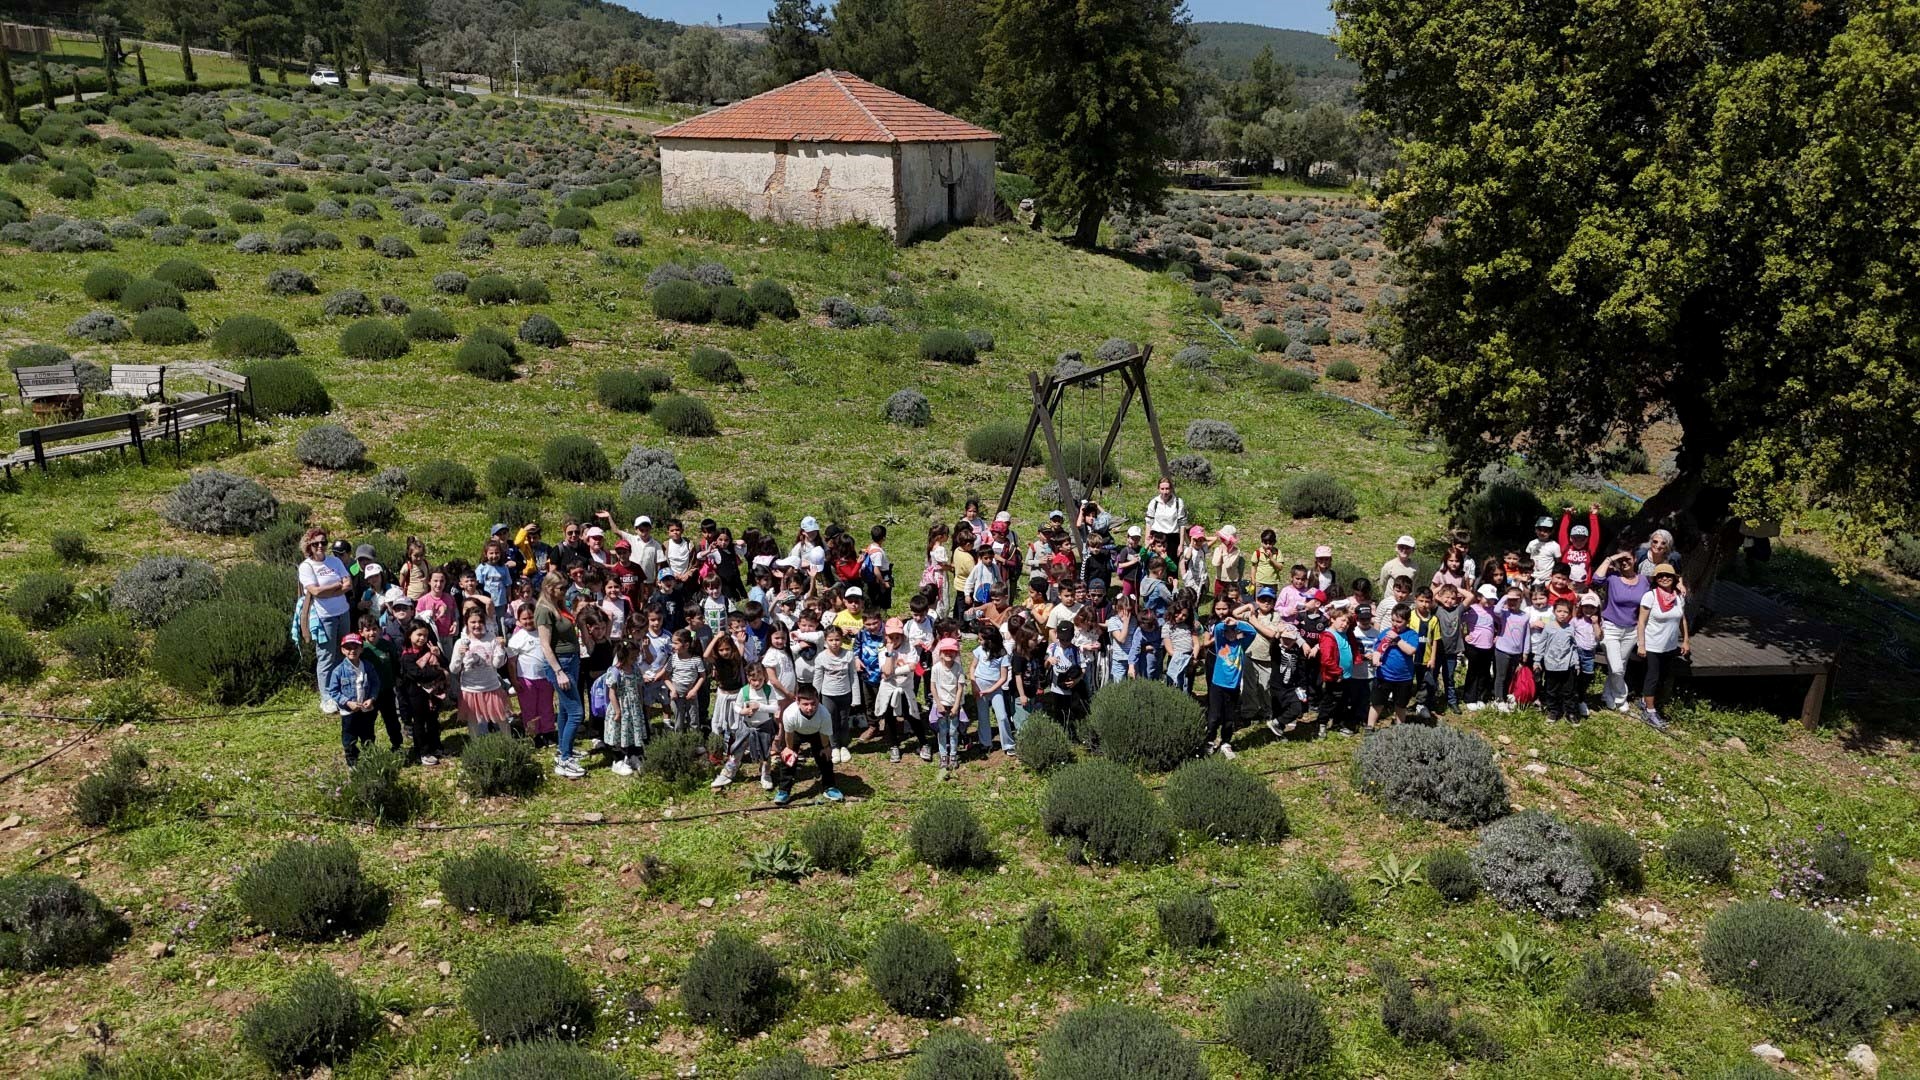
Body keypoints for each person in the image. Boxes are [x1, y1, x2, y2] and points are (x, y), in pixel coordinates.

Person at [299, 528, 354, 716]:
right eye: (316, 544)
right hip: (324, 616)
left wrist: (330, 589)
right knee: (326, 657)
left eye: (323, 542)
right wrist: (337, 586)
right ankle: (326, 697)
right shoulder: (306, 567)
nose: (321, 546)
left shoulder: (335, 561)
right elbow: (315, 592)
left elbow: (348, 584)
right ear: (309, 546)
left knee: (342, 653)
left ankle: (340, 691)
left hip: (342, 612)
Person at [535, 574, 586, 778]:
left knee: (565, 709)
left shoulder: (558, 606)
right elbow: (545, 644)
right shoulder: (544, 611)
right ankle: (564, 760)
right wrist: (558, 672)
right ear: (549, 588)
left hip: (571, 660)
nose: (564, 592)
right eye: (561, 588)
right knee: (576, 712)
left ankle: (564, 749)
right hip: (561, 664)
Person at [1592, 550, 1650, 712]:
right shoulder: (1612, 578)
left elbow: (1663, 580)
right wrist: (1611, 558)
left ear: (1635, 560)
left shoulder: (1644, 580)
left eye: (1628, 559)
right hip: (1610, 627)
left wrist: (1679, 582)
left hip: (1631, 629)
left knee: (1619, 667)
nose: (1624, 562)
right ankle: (1621, 695)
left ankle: (1607, 694)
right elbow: (1596, 579)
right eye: (1621, 560)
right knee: (1617, 668)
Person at [1634, 563, 1689, 730]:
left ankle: (1645, 701)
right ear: (1655, 579)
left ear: (1674, 578)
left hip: (1670, 645)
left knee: (1663, 677)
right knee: (1653, 677)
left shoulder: (1678, 597)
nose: (1664, 578)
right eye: (1660, 576)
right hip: (1652, 645)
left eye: (1668, 575)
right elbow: (1641, 622)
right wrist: (1641, 644)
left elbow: (1682, 619)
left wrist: (1686, 640)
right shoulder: (1650, 596)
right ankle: (1650, 711)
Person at [772, 684, 844, 804]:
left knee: (825, 757)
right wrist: (789, 749)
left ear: (818, 700)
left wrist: (826, 748)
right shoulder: (790, 713)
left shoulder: (824, 714)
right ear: (797, 701)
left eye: (813, 703)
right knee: (788, 758)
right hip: (796, 732)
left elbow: (824, 734)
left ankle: (830, 787)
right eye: (805, 704)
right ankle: (784, 790)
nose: (810, 708)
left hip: (816, 733)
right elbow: (788, 734)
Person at [448, 608, 510, 742]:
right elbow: (454, 669)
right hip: (471, 689)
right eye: (473, 622)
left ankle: (509, 744)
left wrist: (500, 649)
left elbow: (497, 664)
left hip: (491, 687)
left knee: (502, 719)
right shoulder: (460, 643)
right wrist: (460, 654)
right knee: (473, 721)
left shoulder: (492, 640)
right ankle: (477, 747)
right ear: (466, 623)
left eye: (480, 621)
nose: (477, 625)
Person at [395, 619, 447, 765]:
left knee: (433, 720)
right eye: (418, 635)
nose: (422, 638)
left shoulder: (429, 650)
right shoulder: (407, 656)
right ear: (410, 635)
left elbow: (445, 664)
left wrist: (439, 655)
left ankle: (436, 746)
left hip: (432, 694)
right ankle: (423, 751)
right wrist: (438, 673)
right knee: (419, 723)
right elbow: (418, 674)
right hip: (415, 696)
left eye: (425, 635)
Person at [326, 634, 383, 766]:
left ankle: (370, 760)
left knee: (368, 735)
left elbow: (375, 683)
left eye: (356, 647)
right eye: (348, 647)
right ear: (342, 650)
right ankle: (353, 763)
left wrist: (372, 698)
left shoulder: (367, 666)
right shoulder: (338, 671)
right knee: (349, 738)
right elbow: (333, 691)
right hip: (349, 712)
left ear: (361, 649)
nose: (352, 650)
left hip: (365, 709)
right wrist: (347, 702)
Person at [506, 603, 555, 746]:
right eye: (524, 619)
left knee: (546, 706)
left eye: (531, 617)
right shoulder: (517, 638)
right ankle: (534, 735)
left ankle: (548, 732)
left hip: (545, 677)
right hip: (526, 679)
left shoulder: (543, 632)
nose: (528, 621)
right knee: (529, 708)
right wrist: (514, 680)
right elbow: (512, 662)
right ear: (519, 620)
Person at [1367, 603, 1421, 727]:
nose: (1395, 624)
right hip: (1384, 675)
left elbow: (1411, 650)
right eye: (1393, 620)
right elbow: (1378, 649)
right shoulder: (1386, 633)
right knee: (1377, 703)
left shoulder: (1411, 635)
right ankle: (1370, 726)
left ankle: (1400, 728)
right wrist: (1375, 659)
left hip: (1404, 677)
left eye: (1399, 621)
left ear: (1407, 621)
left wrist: (1397, 640)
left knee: (1400, 704)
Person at [603, 638, 649, 776]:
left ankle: (632, 756)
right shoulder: (615, 671)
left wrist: (640, 703)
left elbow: (639, 687)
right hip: (621, 707)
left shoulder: (635, 669)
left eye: (636, 656)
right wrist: (617, 711)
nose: (635, 659)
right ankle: (617, 760)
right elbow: (612, 693)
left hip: (634, 707)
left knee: (633, 733)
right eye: (632, 656)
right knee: (619, 734)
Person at [1534, 598, 1581, 722]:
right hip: (1551, 664)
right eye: (1559, 611)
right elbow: (1541, 645)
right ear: (1554, 612)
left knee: (1569, 691)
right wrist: (1537, 661)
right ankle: (1553, 711)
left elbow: (1574, 647)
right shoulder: (1548, 627)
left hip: (1567, 665)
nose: (1562, 614)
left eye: (1565, 612)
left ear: (1570, 614)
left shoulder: (1571, 629)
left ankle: (1570, 712)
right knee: (1551, 690)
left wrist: (1576, 663)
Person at [971, 631, 1014, 756]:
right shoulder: (979, 650)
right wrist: (974, 685)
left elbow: (1003, 677)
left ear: (990, 641)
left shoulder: (1002, 654)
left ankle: (1008, 744)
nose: (979, 642)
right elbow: (973, 667)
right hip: (980, 686)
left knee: (1002, 716)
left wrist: (991, 689)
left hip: (995, 689)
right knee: (983, 716)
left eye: (981, 639)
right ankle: (985, 743)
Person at [929, 638, 964, 778]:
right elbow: (933, 687)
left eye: (952, 651)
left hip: (954, 704)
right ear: (941, 653)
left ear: (956, 653)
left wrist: (956, 705)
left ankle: (953, 754)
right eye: (946, 651)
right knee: (942, 731)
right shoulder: (936, 668)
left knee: (953, 731)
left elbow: (960, 688)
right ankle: (943, 755)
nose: (949, 653)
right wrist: (938, 703)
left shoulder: (958, 668)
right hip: (941, 704)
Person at [1461, 583, 1499, 707]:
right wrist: (1464, 635)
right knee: (1473, 672)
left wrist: (1498, 635)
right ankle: (1469, 698)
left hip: (1488, 647)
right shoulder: (1472, 609)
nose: (1490, 601)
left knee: (1485, 673)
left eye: (1493, 599)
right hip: (1474, 646)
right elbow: (1458, 621)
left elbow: (1502, 623)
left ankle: (1480, 697)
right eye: (1487, 598)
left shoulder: (1494, 611)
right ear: (1479, 597)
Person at [1559, 505, 1602, 584]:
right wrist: (1567, 516)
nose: (1579, 542)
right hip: (1565, 585)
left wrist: (1593, 515)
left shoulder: (1589, 550)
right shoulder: (1566, 548)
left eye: (1582, 539)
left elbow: (1595, 536)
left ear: (1587, 539)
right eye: (1575, 538)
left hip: (1583, 586)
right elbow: (1562, 532)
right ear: (1570, 538)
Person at [1377, 535, 1419, 600]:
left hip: (1407, 601)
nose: (1404, 550)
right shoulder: (1389, 566)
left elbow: (1414, 584)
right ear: (1396, 548)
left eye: (1407, 548)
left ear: (1412, 550)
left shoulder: (1415, 567)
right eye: (1401, 547)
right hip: (1391, 600)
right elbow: (1383, 583)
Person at [1527, 516, 1562, 580]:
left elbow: (1558, 562)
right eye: (1539, 530)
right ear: (1535, 530)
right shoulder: (1531, 543)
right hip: (1532, 575)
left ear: (1551, 532)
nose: (1542, 533)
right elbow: (1529, 558)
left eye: (1546, 531)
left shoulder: (1555, 545)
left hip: (1547, 578)